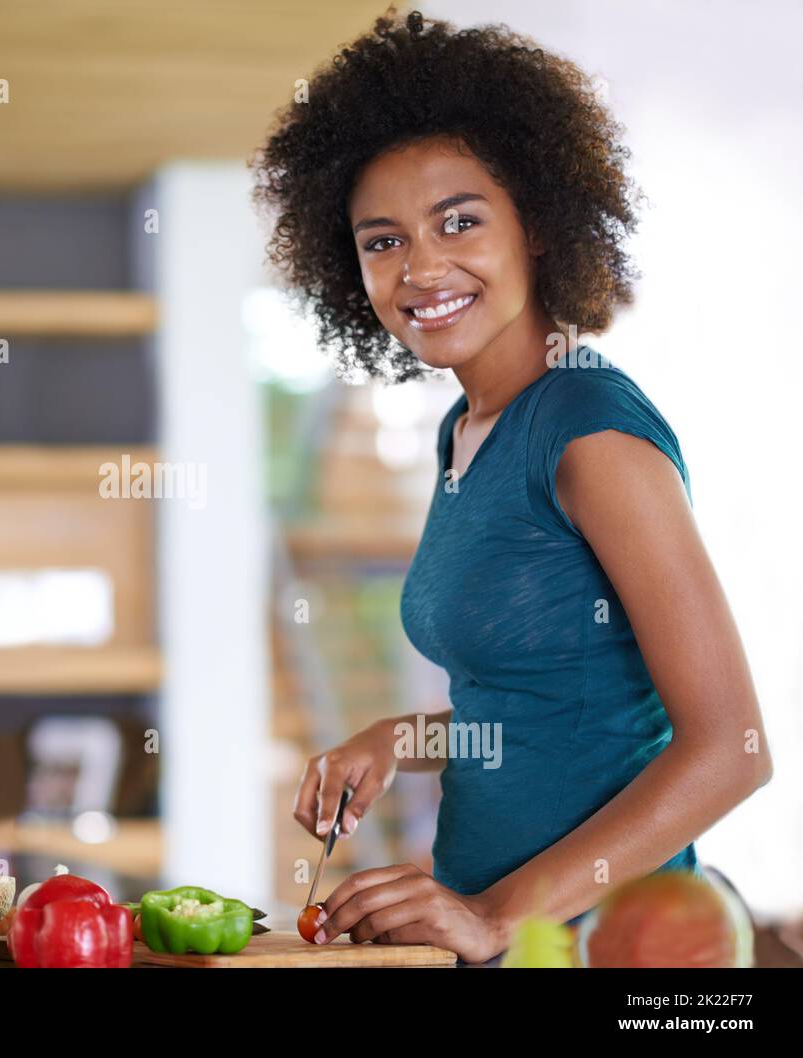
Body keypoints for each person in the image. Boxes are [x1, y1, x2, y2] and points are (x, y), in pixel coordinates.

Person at [253, 9, 773, 964]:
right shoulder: (469, 432)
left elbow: (732, 748)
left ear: (536, 223)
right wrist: (395, 737)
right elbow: (546, 709)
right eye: (382, 240)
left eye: (459, 221)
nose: (421, 266)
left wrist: (497, 915)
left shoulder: (590, 432)